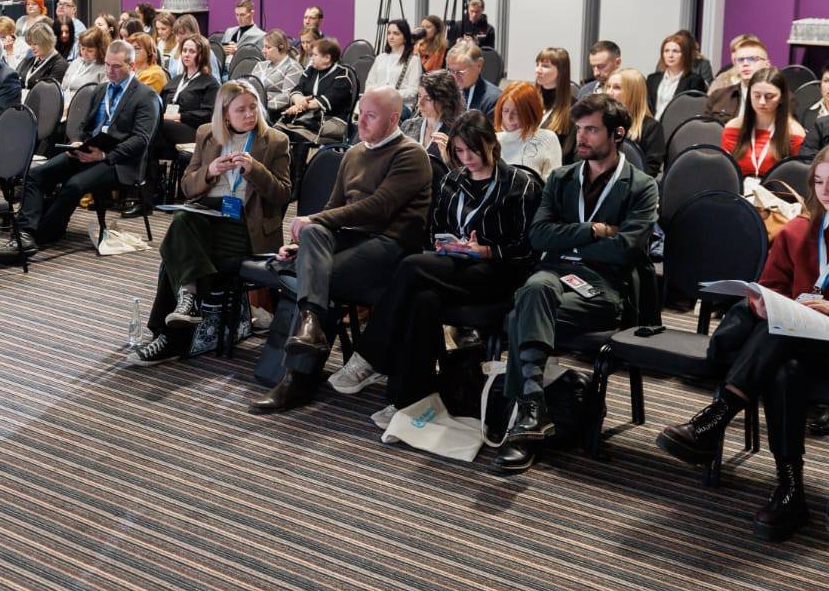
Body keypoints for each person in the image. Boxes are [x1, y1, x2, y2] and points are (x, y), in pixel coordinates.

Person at [656, 143, 829, 541]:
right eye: (818, 182)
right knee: (786, 369)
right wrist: (763, 302)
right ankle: (790, 489)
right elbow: (771, 285)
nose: (824, 191)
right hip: (795, 340)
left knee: (783, 334)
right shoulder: (800, 229)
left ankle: (714, 420)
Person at [492, 94, 659, 475]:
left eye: (592, 130)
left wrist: (566, 238)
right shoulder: (561, 178)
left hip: (603, 287)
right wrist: (593, 230)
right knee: (535, 289)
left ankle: (525, 419)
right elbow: (538, 236)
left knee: (521, 314)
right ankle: (531, 415)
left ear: (617, 134)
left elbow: (626, 250)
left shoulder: (641, 186)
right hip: (553, 276)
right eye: (579, 129)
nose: (581, 137)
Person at [330, 112, 540, 414]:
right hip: (454, 267)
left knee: (412, 267)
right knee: (422, 300)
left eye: (474, 150)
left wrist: (487, 251)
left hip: (499, 273)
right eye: (460, 151)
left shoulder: (520, 185)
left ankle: (371, 355)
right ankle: (408, 401)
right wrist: (446, 244)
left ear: (491, 144)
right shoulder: (452, 182)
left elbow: (529, 248)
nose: (466, 158)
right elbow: (434, 229)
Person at [250, 86, 433, 413]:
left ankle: (296, 379)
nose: (361, 122)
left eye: (371, 116)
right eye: (360, 114)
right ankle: (309, 329)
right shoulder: (354, 152)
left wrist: (313, 223)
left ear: (394, 118)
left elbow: (378, 207)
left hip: (389, 246)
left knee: (316, 276)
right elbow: (332, 208)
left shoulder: (411, 154)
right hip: (349, 242)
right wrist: (300, 244)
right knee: (313, 239)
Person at [125, 82, 293, 366]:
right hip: (207, 217)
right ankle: (180, 316)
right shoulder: (206, 134)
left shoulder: (275, 140)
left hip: (246, 226)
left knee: (175, 250)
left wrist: (255, 170)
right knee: (184, 219)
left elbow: (283, 194)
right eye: (241, 110)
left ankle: (172, 329)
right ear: (225, 114)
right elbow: (188, 187)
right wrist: (211, 171)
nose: (250, 114)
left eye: (253, 107)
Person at [0, 41, 158, 263]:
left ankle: (42, 234)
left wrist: (105, 156)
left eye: (116, 66)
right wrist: (76, 142)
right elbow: (83, 126)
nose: (110, 71)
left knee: (74, 185)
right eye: (107, 65)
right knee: (35, 174)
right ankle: (25, 233)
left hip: (119, 161)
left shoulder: (146, 96)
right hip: (88, 151)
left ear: (132, 66)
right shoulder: (101, 90)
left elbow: (141, 140)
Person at [721, 67, 805, 180]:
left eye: (769, 96)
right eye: (756, 95)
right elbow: (726, 171)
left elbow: (795, 176)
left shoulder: (794, 133)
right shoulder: (733, 128)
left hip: (775, 189)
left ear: (782, 98)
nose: (762, 102)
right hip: (739, 188)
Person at [276, 37, 356, 146]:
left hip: (332, 119)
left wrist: (299, 106)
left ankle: (301, 156)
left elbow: (326, 100)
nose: (311, 58)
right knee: (276, 131)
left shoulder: (342, 76)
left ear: (327, 58)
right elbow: (297, 89)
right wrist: (298, 99)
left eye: (315, 55)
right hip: (307, 116)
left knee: (296, 134)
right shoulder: (311, 71)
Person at [494, 80, 562, 181]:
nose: (509, 118)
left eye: (516, 112)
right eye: (505, 110)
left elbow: (554, 185)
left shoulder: (547, 139)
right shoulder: (494, 140)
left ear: (531, 112)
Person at [160, 36, 219, 148]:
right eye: (184, 50)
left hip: (194, 131)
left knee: (159, 125)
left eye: (192, 51)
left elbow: (208, 114)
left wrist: (179, 117)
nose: (186, 54)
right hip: (170, 126)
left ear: (201, 55)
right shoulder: (175, 80)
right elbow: (160, 105)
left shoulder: (210, 84)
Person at [606, 67, 665, 176]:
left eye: (617, 87)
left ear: (633, 93)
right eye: (608, 86)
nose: (609, 92)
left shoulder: (652, 128)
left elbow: (649, 171)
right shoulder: (602, 122)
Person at [402, 69, 464, 170]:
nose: (419, 103)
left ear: (444, 101)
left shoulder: (458, 133)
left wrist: (450, 161)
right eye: (419, 96)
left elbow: (464, 174)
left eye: (428, 99)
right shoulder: (408, 126)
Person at [707, 34, 770, 120]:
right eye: (740, 60)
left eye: (752, 59)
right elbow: (706, 126)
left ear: (767, 64)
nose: (745, 63)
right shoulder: (719, 96)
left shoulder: (780, 97)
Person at [647, 31, 707, 118]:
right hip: (654, 124)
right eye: (666, 51)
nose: (670, 55)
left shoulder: (694, 80)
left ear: (685, 54)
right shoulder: (652, 79)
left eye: (675, 51)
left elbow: (694, 111)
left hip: (677, 124)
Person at [364, 19, 421, 111]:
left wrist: (389, 95)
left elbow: (413, 91)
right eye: (389, 33)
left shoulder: (413, 60)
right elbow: (369, 84)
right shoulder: (380, 58)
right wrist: (377, 95)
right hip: (377, 103)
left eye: (396, 33)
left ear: (405, 37)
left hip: (401, 105)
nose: (391, 37)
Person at [535, 46, 575, 160]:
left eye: (545, 66)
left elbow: (566, 154)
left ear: (562, 71)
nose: (538, 70)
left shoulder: (573, 109)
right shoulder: (530, 100)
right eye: (537, 65)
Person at [446, 39, 501, 118]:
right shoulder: (445, 93)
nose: (454, 77)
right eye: (450, 71)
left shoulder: (494, 100)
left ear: (479, 65)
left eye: (460, 72)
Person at [255, 29, 303, 117]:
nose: (263, 51)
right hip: (254, 107)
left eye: (268, 47)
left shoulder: (293, 67)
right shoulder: (260, 65)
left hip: (273, 113)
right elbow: (249, 87)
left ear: (281, 48)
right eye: (263, 47)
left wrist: (260, 106)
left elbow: (287, 96)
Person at [60, 27, 108, 108]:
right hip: (64, 104)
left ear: (100, 50)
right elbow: (63, 87)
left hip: (83, 108)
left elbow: (99, 98)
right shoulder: (76, 62)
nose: (84, 53)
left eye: (90, 51)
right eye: (82, 48)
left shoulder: (104, 68)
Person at [17, 23, 67, 91]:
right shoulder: (29, 59)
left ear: (46, 42)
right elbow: (15, 78)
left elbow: (49, 91)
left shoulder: (60, 65)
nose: (32, 48)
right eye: (30, 44)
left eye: (35, 44)